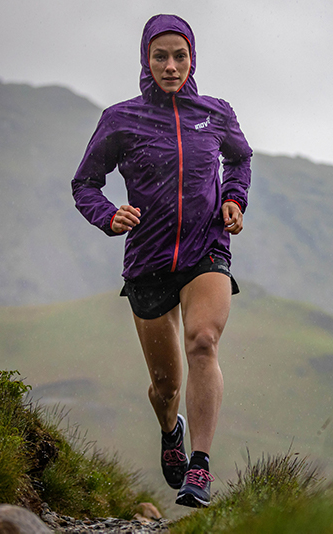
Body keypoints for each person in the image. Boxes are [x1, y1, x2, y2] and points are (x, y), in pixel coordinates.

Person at [71, 14, 251, 508]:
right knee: (165, 385)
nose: (170, 66)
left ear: (193, 59)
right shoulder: (120, 119)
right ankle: (171, 428)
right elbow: (84, 183)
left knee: (203, 341)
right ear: (145, 60)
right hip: (148, 258)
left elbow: (240, 159)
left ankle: (200, 467)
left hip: (205, 248)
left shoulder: (216, 113)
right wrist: (109, 216)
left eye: (180, 56)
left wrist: (234, 199)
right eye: (160, 56)